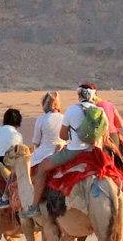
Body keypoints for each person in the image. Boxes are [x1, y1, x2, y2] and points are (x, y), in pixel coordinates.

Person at [23, 84, 103, 217]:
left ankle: (35, 206)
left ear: (79, 95)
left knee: (42, 168)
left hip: (72, 151)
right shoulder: (99, 111)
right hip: (94, 152)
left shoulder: (70, 111)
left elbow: (62, 137)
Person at [28, 92, 64, 168]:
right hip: (63, 152)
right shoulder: (65, 118)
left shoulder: (41, 120)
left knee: (28, 165)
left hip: (44, 153)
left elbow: (36, 142)